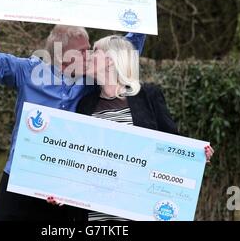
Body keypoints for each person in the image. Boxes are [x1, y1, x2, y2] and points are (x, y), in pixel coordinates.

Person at [0, 0, 160, 221]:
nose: (89, 54)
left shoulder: (89, 81)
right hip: (21, 175)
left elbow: (127, 50)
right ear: (61, 49)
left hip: (65, 184)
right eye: (83, 50)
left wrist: (146, 1)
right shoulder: (28, 71)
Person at [72, 35, 214, 221]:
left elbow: (172, 144)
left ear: (110, 60)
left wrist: (195, 155)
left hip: (139, 209)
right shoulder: (85, 104)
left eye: (95, 51)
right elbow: (74, 157)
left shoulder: (148, 96)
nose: (88, 56)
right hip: (96, 213)